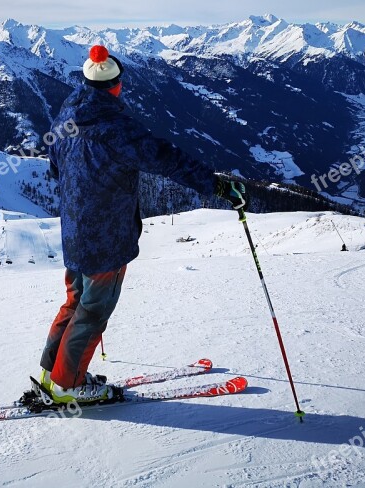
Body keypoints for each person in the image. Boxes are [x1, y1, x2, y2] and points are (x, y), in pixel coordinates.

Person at [38, 45, 246, 404]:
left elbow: (54, 163)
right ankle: (66, 387)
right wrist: (216, 185)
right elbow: (167, 159)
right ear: (116, 86)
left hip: (73, 231)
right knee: (93, 311)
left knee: (74, 301)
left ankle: (52, 372)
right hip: (107, 237)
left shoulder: (67, 113)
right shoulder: (117, 128)